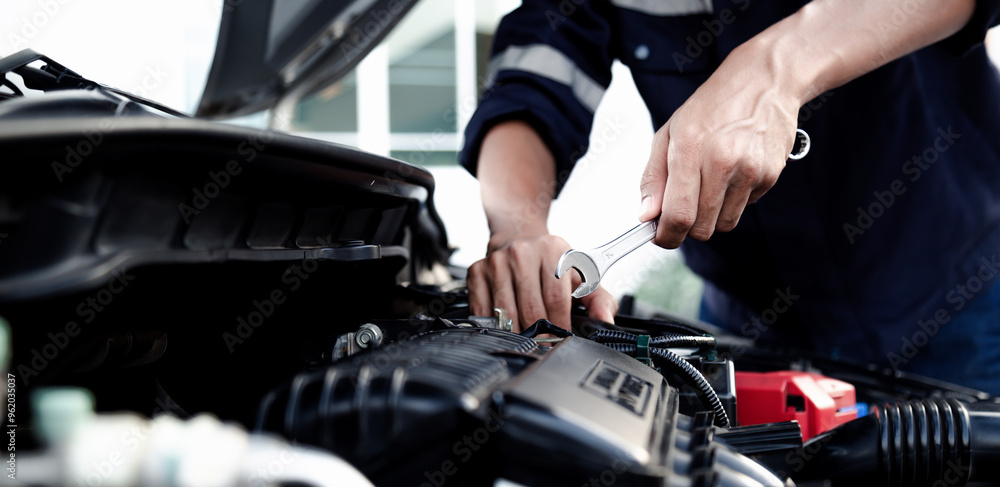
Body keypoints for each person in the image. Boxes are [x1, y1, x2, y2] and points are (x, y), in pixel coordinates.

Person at [459, 0, 1000, 394]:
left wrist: (772, 68)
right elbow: (532, 76)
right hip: (747, 328)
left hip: (954, 303)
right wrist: (518, 230)